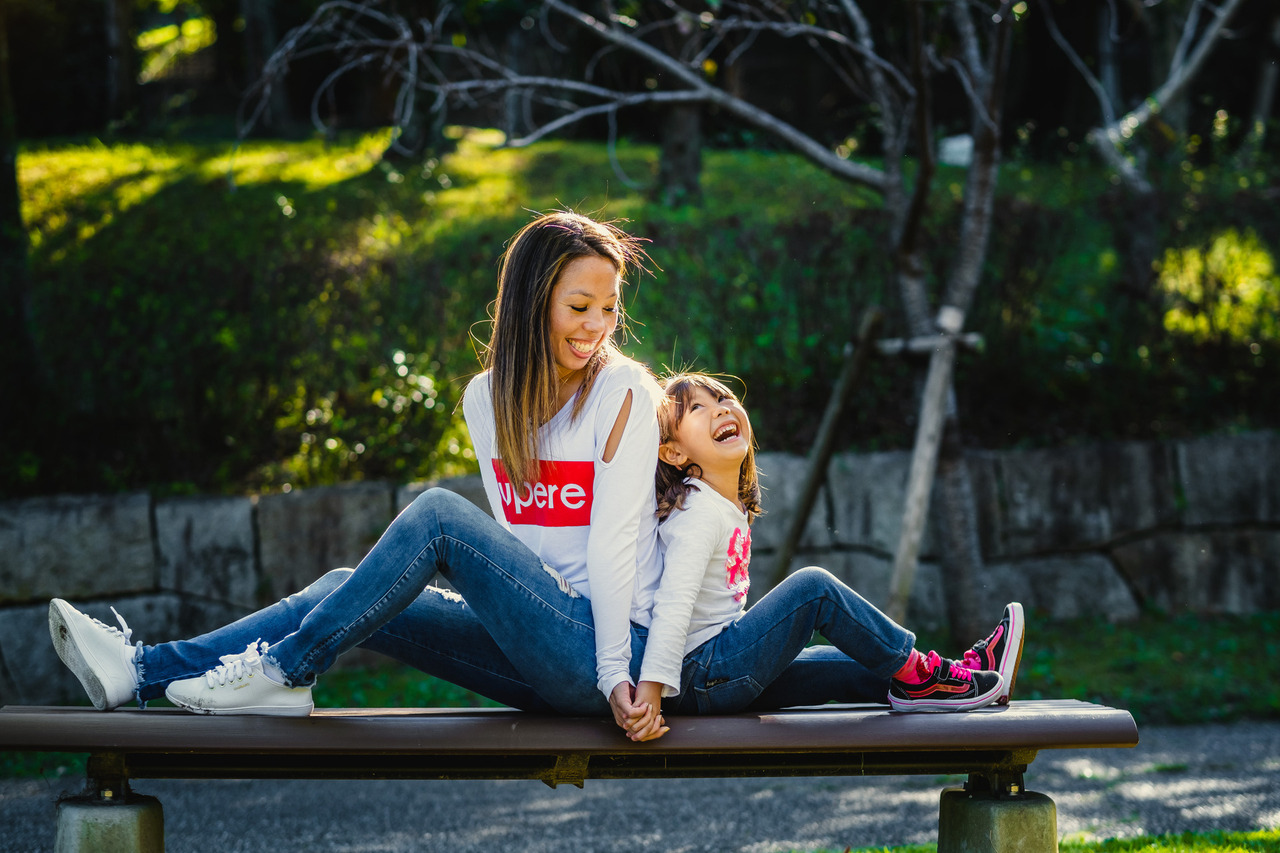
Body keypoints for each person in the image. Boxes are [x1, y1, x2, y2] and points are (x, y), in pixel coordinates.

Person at [48, 210, 669, 741]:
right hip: (530, 649)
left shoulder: (622, 393)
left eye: (609, 309)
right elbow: (524, 546)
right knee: (347, 585)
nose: (597, 326)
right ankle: (141, 670)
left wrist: (616, 675)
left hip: (604, 656)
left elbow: (612, 549)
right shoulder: (488, 399)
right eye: (579, 306)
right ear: (532, 305)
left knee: (438, 517)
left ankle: (285, 670)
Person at [629, 372, 1025, 737]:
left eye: (722, 397)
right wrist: (651, 693)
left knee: (845, 664)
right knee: (813, 588)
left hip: (717, 673)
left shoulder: (722, 504)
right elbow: (673, 606)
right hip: (699, 678)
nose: (719, 407)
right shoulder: (697, 511)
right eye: (697, 408)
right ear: (674, 454)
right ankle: (926, 676)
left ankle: (959, 678)